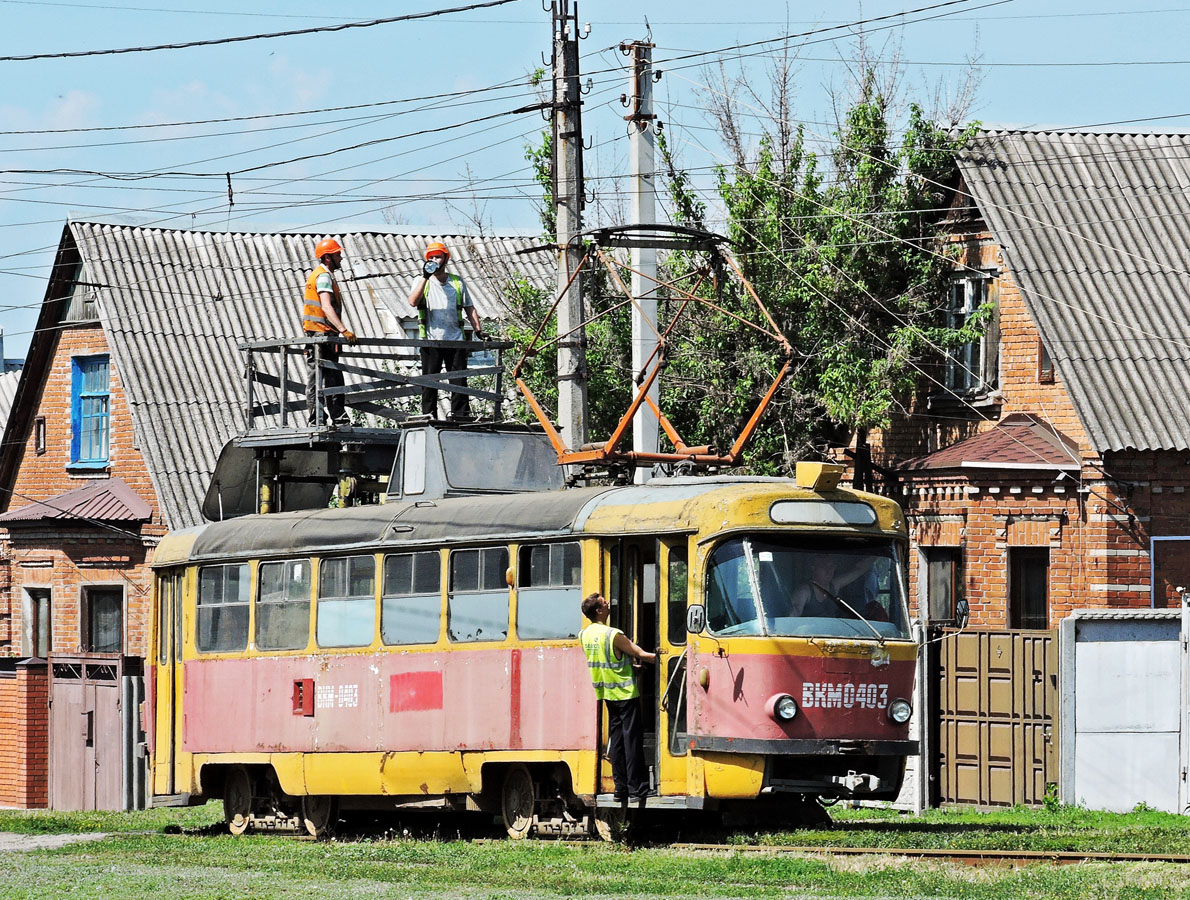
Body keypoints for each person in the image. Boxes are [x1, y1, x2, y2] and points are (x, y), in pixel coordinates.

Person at [579, 592, 656, 803]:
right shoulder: (613, 634)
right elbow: (640, 653)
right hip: (625, 693)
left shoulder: (584, 635)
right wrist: (661, 657)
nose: (608, 602)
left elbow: (609, 660)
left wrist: (630, 667)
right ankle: (637, 788)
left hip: (606, 693)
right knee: (632, 740)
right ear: (599, 610)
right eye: (604, 602)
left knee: (618, 741)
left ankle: (620, 788)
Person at [406, 240, 485, 419]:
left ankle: (460, 416)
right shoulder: (421, 280)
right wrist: (426, 276)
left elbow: (469, 307)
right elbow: (412, 301)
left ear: (445, 259)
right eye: (431, 257)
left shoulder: (456, 282)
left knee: (459, 381)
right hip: (431, 339)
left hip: (455, 339)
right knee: (429, 382)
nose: (435, 260)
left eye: (438, 257)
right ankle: (428, 416)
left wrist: (478, 330)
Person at [301, 237, 356, 425]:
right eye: (337, 255)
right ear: (327, 258)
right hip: (321, 335)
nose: (341, 258)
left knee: (324, 377)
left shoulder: (320, 274)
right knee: (328, 378)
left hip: (320, 335)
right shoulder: (323, 276)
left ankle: (324, 418)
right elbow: (326, 306)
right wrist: (344, 330)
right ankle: (327, 418)